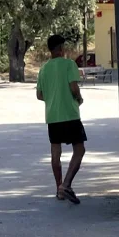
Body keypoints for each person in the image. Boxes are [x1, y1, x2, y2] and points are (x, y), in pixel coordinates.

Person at [36, 35, 86, 205]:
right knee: (79, 150)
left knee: (55, 153)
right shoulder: (69, 64)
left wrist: (53, 98)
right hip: (70, 114)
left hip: (52, 116)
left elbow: (39, 95)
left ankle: (59, 189)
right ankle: (66, 184)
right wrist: (78, 98)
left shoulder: (43, 69)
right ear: (61, 49)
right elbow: (73, 87)